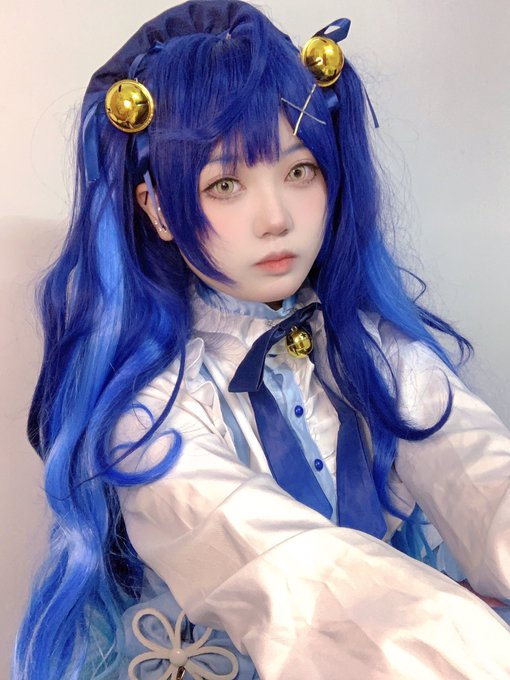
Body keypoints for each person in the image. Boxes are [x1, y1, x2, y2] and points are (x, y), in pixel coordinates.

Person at [14, 1, 510, 678]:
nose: (275, 217)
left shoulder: (371, 349)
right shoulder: (153, 409)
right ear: (157, 208)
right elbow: (285, 572)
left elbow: (477, 469)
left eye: (299, 171)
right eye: (225, 184)